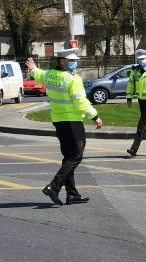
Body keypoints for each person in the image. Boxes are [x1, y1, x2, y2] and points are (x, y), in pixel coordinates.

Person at [26, 49, 103, 206]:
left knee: (68, 157)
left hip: (59, 122)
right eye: (71, 61)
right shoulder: (73, 79)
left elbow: (39, 75)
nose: (74, 63)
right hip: (73, 122)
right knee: (76, 157)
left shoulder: (50, 75)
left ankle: (72, 194)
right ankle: (54, 186)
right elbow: (81, 102)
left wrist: (33, 68)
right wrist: (95, 116)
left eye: (75, 61)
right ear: (62, 61)